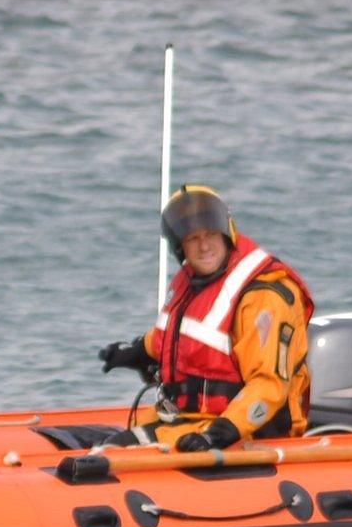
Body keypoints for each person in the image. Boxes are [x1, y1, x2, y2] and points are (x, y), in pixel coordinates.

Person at [98, 185, 314, 451]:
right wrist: (136, 351)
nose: (203, 246)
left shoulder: (263, 296)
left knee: (117, 451)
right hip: (191, 418)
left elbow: (268, 386)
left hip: (246, 430)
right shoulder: (192, 281)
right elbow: (179, 335)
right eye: (192, 238)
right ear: (180, 246)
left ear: (226, 234)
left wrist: (220, 433)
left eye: (211, 234)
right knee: (112, 442)